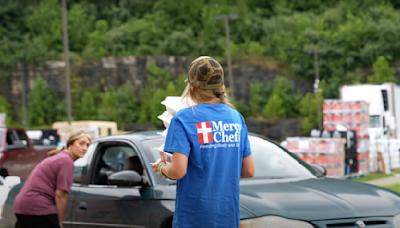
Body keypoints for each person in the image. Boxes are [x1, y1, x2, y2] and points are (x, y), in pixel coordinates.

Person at [152, 56, 255, 228]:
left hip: (194, 218)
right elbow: (249, 170)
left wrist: (162, 168)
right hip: (227, 217)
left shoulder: (184, 118)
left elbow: (178, 171)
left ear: (191, 86)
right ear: (221, 86)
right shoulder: (236, 118)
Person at [14, 129, 92, 228]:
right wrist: (59, 222)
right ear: (70, 144)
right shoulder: (66, 161)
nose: (85, 148)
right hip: (38, 208)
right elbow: (61, 195)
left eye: (87, 145)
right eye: (81, 144)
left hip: (22, 207)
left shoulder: (60, 157)